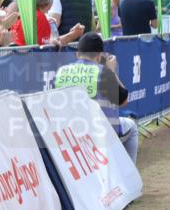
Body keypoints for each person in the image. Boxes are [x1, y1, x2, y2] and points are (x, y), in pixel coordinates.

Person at [54, 32, 139, 163]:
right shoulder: (103, 72)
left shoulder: (61, 72)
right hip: (101, 133)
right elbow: (123, 101)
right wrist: (112, 71)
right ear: (99, 56)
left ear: (77, 53)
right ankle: (128, 172)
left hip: (70, 133)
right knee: (132, 127)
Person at [11, 0, 85, 47]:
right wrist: (72, 35)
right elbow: (47, 48)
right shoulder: (40, 17)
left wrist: (72, 34)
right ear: (49, 2)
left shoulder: (25, 14)